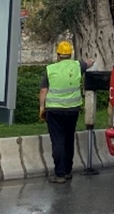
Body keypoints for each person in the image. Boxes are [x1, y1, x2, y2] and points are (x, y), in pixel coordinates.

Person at [39, 41, 94, 183]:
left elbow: (43, 90)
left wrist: (41, 108)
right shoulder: (77, 66)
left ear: (58, 55)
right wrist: (91, 60)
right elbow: (89, 63)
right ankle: (68, 171)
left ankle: (60, 174)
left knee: (58, 141)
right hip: (72, 110)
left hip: (54, 110)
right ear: (70, 55)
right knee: (69, 139)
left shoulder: (50, 69)